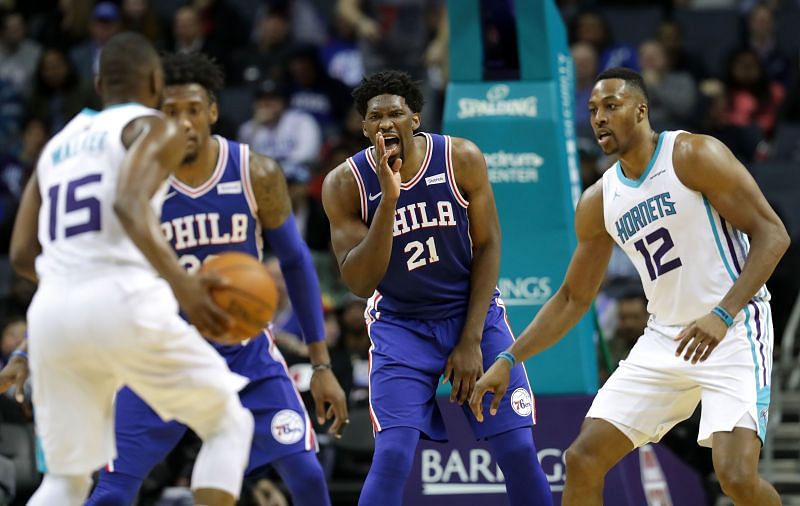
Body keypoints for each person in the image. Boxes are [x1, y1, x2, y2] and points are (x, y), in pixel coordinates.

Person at [470, 67, 789, 506]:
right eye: (593, 110)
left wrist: (723, 313)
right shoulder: (599, 200)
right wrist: (509, 358)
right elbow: (571, 298)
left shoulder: (693, 155)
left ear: (641, 111)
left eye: (611, 106)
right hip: (665, 338)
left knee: (735, 477)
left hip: (733, 327)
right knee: (582, 458)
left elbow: (774, 234)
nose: (599, 117)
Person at [86, 51, 347, 506]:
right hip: (161, 355)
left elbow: (297, 262)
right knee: (111, 492)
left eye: (193, 109)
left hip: (245, 354)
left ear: (212, 111)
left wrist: (321, 364)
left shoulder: (255, 171)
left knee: (306, 474)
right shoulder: (136, 185)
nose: (183, 122)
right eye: (170, 112)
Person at [5, 32, 255, 506]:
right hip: (122, 299)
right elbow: (127, 202)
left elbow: (20, 254)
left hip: (52, 313)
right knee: (228, 423)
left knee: (66, 480)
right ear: (156, 81)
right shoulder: (153, 126)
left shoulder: (58, 144)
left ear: (99, 85)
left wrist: (72, 280)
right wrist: (183, 285)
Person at [321, 70, 552, 506]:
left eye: (396, 114)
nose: (386, 123)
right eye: (376, 117)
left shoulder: (460, 158)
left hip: (472, 316)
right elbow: (359, 283)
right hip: (402, 326)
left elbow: (487, 246)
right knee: (391, 456)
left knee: (519, 450)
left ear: (415, 120)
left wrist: (469, 340)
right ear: (364, 127)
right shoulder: (344, 184)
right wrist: (389, 199)